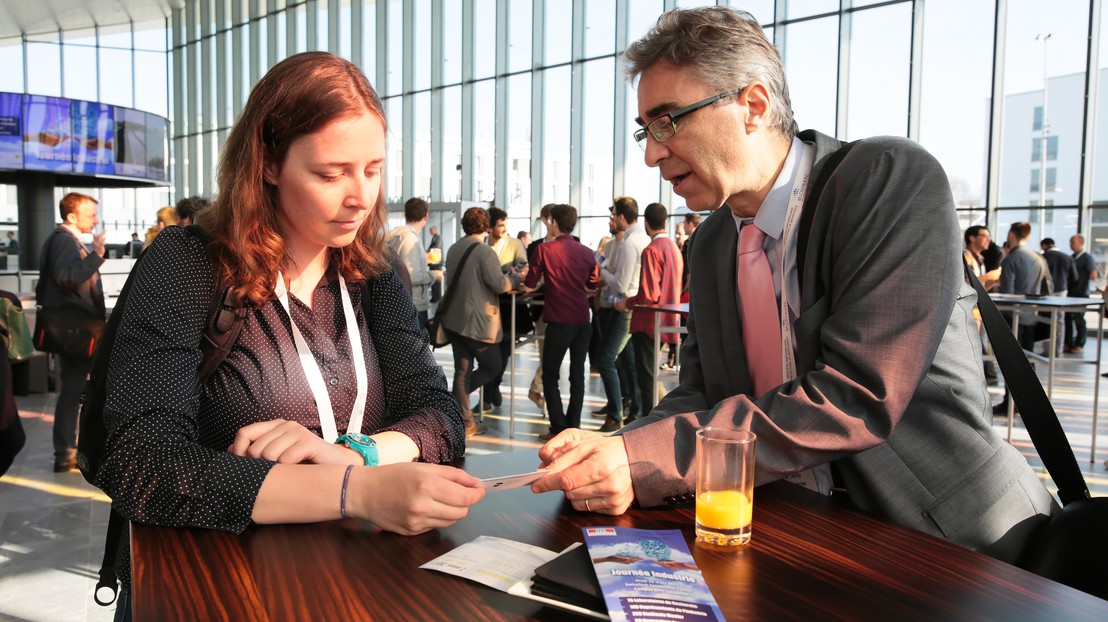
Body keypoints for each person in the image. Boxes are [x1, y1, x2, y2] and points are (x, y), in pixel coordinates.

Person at [530, 6, 1056, 565]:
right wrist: (618, 449)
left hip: (953, 549)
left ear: (752, 106)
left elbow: (856, 395)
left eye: (667, 121)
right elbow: (704, 394)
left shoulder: (885, 181)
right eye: (646, 130)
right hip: (795, 536)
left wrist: (641, 457)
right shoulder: (711, 245)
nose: (651, 152)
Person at [95, 52, 484, 616]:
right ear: (269, 164)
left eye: (372, 169)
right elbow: (142, 462)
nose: (361, 197)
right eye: (331, 174)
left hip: (349, 587)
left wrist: (353, 456)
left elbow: (439, 416)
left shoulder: (368, 274)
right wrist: (357, 490)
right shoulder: (188, 265)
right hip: (224, 588)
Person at [38, 192, 107, 472]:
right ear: (71, 216)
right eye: (91, 215)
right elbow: (67, 278)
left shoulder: (64, 239)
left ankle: (66, 451)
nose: (95, 220)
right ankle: (74, 450)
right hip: (77, 332)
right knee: (88, 389)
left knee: (73, 389)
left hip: (72, 331)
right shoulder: (64, 240)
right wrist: (97, 255)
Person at [521, 204, 598, 441]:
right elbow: (592, 284)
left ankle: (557, 426)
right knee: (577, 375)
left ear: (553, 223)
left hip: (558, 319)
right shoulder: (587, 252)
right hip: (583, 319)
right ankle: (573, 426)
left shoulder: (544, 250)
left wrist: (545, 281)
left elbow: (529, 286)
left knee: (551, 374)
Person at [439, 207, 513, 436]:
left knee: (462, 370)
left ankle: (465, 421)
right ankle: (454, 401)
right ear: (487, 227)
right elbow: (499, 285)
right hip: (478, 323)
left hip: (454, 319)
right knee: (493, 364)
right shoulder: (485, 252)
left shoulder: (453, 248)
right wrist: (514, 279)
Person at [615, 202, 683, 417]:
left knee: (646, 381)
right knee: (652, 379)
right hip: (668, 321)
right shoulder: (674, 248)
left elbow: (649, 295)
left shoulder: (652, 250)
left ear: (646, 223)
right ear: (665, 221)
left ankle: (647, 426)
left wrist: (627, 302)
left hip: (649, 323)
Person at [595, 197, 650, 432]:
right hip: (633, 305)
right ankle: (634, 411)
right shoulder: (642, 239)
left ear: (622, 217)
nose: (612, 219)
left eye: (614, 214)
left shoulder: (630, 242)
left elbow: (620, 284)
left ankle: (615, 414)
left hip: (625, 305)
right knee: (629, 362)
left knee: (606, 360)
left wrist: (603, 273)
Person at [482, 206, 529, 411]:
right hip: (487, 305)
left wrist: (511, 275)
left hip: (510, 305)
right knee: (489, 352)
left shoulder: (515, 244)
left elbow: (523, 268)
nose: (504, 228)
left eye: (505, 224)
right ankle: (489, 390)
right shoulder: (482, 244)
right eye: (500, 225)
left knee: (504, 350)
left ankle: (493, 388)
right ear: (490, 226)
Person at [385, 197, 443, 326]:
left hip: (398, 301)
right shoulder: (410, 238)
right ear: (426, 216)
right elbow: (411, 276)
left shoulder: (395, 235)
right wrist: (435, 275)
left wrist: (423, 258)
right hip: (414, 303)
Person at [1065, 234, 1098, 354]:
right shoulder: (1071, 257)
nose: (1070, 244)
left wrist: (1081, 279)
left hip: (1081, 294)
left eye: (1073, 242)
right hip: (1070, 293)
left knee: (1079, 319)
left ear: (1081, 243)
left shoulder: (1087, 258)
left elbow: (1093, 275)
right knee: (1068, 318)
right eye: (1070, 242)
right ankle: (1068, 343)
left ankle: (1080, 343)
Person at [964, 226, 1000, 291]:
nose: (989, 240)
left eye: (989, 237)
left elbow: (981, 289)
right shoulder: (965, 256)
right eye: (985, 236)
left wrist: (994, 281)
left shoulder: (980, 259)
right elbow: (964, 284)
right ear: (972, 238)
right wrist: (989, 276)